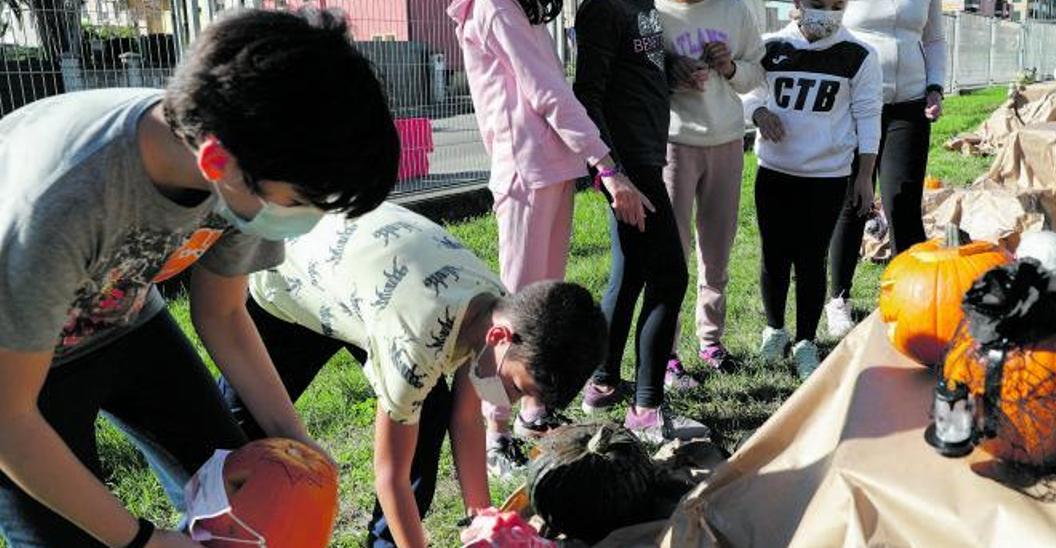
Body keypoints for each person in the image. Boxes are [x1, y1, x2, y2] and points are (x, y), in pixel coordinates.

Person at [0, 8, 399, 547]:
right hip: (15, 364)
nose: (303, 218)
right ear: (217, 162)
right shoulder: (60, 204)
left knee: (239, 492)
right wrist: (143, 539)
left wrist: (294, 440)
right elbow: (10, 422)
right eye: (300, 201)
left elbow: (225, 314)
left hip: (125, 318)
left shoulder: (241, 157)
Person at [218, 202, 607, 548]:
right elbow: (390, 477)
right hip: (291, 282)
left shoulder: (496, 308)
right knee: (234, 436)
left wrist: (485, 521)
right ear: (499, 337)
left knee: (428, 413)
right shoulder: (416, 343)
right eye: (515, 387)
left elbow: (466, 417)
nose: (509, 400)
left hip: (370, 288)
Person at [448, 0, 651, 474]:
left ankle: (532, 411)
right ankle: (495, 431)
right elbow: (548, 92)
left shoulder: (523, 10)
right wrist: (608, 166)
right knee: (509, 312)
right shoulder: (495, 8)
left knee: (540, 309)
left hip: (554, 166)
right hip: (524, 169)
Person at [573, 0, 708, 443]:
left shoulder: (643, 6)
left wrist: (674, 67)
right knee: (671, 274)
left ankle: (602, 382)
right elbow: (588, 93)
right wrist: (614, 173)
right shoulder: (603, 9)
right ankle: (647, 410)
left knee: (630, 271)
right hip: (629, 166)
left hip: (646, 155)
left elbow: (638, 66)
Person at [745, 0, 882, 378]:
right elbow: (748, 92)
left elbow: (868, 115)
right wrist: (758, 113)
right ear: (798, 5)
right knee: (773, 255)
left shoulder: (859, 55)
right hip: (775, 170)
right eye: (818, 4)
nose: (828, 11)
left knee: (811, 259)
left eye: (837, 5)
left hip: (827, 176)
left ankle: (806, 340)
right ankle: (775, 330)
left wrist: (865, 175)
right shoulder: (769, 47)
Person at [655, 0, 766, 386]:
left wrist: (731, 67)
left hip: (727, 140)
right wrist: (670, 73)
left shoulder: (735, 10)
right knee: (672, 254)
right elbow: (636, 74)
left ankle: (711, 341)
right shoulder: (652, 9)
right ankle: (665, 353)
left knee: (717, 249)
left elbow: (757, 72)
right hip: (673, 143)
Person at [823, 0, 946, 338]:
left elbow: (934, 39)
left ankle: (912, 296)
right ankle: (838, 300)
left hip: (910, 104)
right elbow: (831, 29)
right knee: (854, 202)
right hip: (859, 101)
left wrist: (935, 86)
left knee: (903, 202)